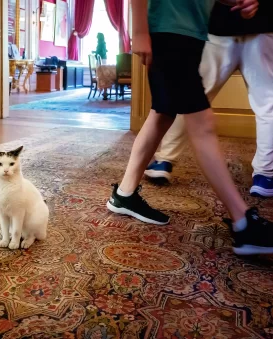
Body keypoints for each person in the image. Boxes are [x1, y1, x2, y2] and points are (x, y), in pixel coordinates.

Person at [106, 0, 273, 255]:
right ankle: (243, 222)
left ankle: (124, 194)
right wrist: (139, 31)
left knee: (162, 114)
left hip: (189, 33)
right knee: (202, 124)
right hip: (169, 32)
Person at [144, 0, 273, 199]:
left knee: (189, 97)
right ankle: (265, 175)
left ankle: (164, 159)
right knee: (268, 104)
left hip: (221, 27)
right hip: (255, 27)